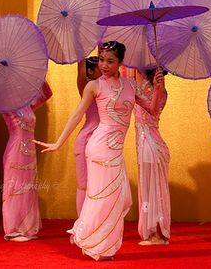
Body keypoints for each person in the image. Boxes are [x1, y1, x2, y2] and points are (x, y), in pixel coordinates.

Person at [34, 41, 165, 260]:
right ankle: (95, 244)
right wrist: (58, 142)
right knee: (102, 198)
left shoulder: (131, 87)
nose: (104, 65)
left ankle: (105, 246)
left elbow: (152, 109)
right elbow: (77, 115)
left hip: (115, 150)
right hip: (99, 148)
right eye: (102, 60)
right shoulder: (94, 86)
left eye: (110, 61)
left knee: (117, 199)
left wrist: (158, 88)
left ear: (121, 63)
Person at [2, 82, 52, 242]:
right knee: (15, 187)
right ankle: (13, 229)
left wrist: (38, 75)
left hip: (29, 151)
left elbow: (47, 93)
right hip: (16, 150)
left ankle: (26, 227)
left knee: (28, 188)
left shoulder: (27, 105)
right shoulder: (6, 105)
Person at [135, 68, 170, 246]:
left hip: (151, 145)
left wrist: (157, 87)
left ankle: (158, 234)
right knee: (150, 189)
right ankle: (153, 233)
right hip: (146, 144)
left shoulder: (158, 90)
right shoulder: (142, 86)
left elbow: (153, 110)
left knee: (154, 189)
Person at [73, 56, 101, 215]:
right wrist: (81, 46)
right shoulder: (86, 86)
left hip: (100, 142)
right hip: (86, 140)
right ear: (90, 71)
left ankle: (94, 225)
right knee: (84, 185)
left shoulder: (105, 86)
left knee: (98, 185)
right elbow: (80, 70)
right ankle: (81, 225)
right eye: (99, 65)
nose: (104, 67)